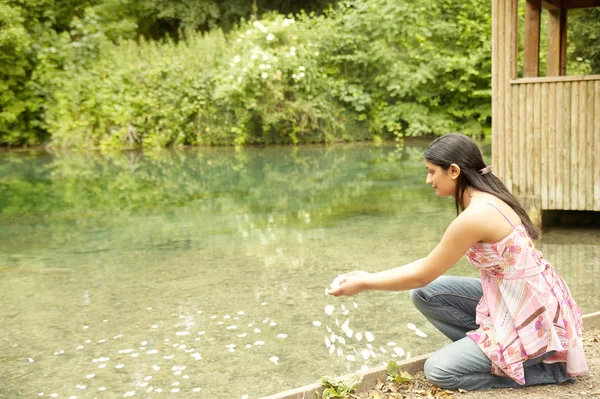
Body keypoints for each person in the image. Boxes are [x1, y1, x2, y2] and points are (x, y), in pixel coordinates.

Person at [327, 133, 588, 391]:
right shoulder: (488, 197)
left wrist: (365, 283)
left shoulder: (475, 215)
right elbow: (426, 270)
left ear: (453, 171)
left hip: (531, 318)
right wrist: (368, 275)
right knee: (425, 294)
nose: (428, 180)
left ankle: (543, 369)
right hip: (518, 300)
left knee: (439, 370)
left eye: (431, 172)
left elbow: (422, 272)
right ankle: (486, 351)